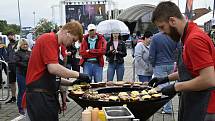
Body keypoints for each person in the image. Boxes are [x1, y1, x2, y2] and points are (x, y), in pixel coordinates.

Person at [149, 1, 215, 121]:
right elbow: (190, 71)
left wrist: (176, 87)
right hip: (195, 101)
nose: (162, 33)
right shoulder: (188, 36)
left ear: (173, 21)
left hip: (205, 107)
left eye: (162, 27)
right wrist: (166, 78)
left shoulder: (194, 39)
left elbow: (209, 80)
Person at [23, 21, 91, 121]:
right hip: (38, 97)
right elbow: (53, 68)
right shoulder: (48, 38)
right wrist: (78, 74)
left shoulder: (56, 45)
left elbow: (53, 76)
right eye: (73, 40)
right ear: (67, 32)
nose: (71, 44)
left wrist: (71, 83)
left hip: (45, 95)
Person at [149, 32, 178, 114]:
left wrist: (153, 64)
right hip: (171, 64)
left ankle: (167, 108)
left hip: (159, 64)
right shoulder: (173, 36)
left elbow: (152, 53)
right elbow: (178, 50)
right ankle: (166, 106)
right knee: (169, 85)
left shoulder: (155, 37)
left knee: (162, 86)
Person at [15, 39, 31, 115]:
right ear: (20, 45)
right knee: (22, 91)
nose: (25, 46)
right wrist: (28, 65)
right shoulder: (17, 53)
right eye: (23, 44)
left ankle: (26, 105)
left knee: (27, 91)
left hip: (28, 74)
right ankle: (20, 107)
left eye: (26, 44)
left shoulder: (30, 52)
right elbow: (17, 62)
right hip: (21, 74)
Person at [5, 32, 18, 104]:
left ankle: (22, 97)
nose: (10, 38)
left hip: (17, 65)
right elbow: (7, 55)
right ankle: (13, 97)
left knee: (20, 82)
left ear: (14, 36)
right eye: (8, 37)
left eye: (11, 36)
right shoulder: (8, 45)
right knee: (12, 82)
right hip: (10, 65)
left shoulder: (18, 44)